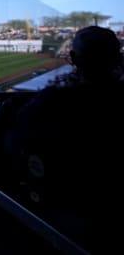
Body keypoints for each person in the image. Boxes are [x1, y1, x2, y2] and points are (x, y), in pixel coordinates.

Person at [6, 26, 123, 252]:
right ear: (118, 58)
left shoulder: (54, 100)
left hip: (63, 206)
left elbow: (22, 124)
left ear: (73, 59)